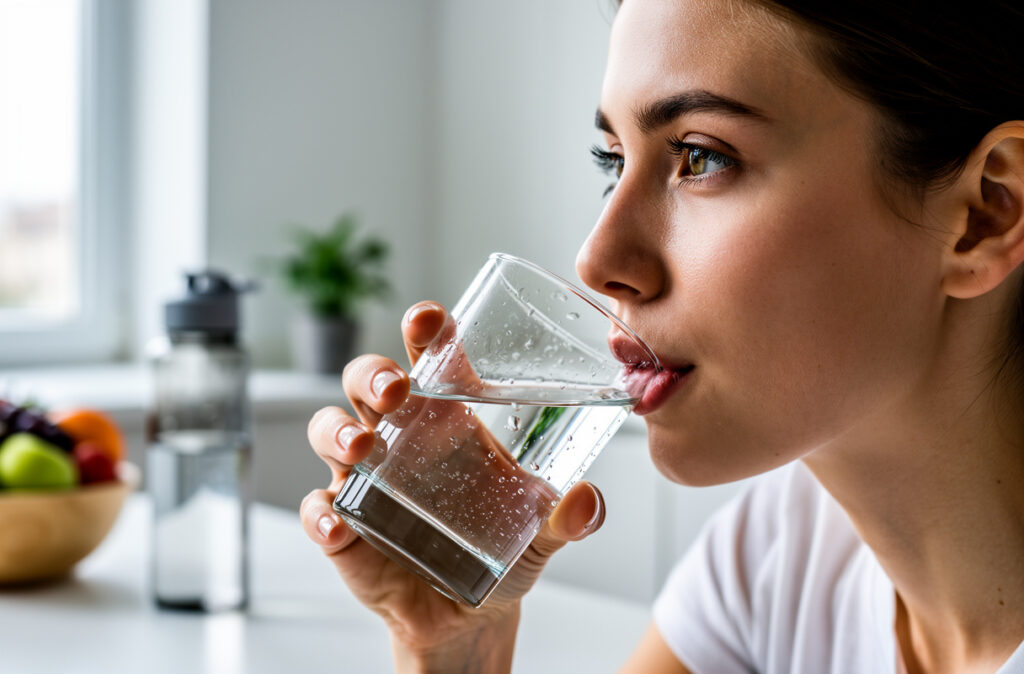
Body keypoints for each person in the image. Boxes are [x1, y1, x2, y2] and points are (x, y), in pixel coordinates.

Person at [300, 0, 1024, 671]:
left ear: (987, 212)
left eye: (702, 156)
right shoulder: (774, 559)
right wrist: (455, 651)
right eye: (612, 162)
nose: (596, 259)